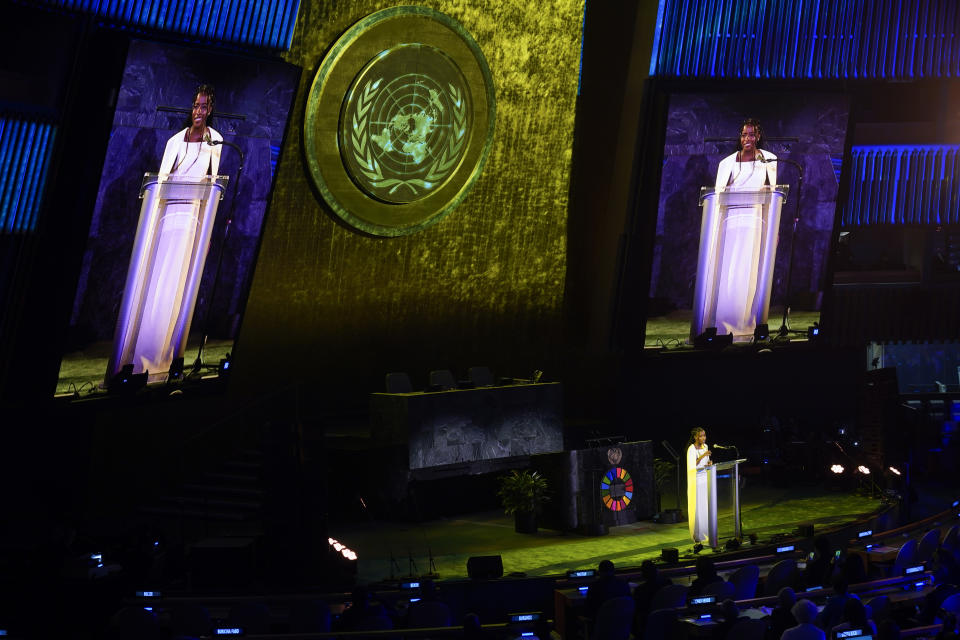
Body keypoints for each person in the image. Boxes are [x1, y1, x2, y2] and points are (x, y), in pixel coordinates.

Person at [128, 84, 224, 377]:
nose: (198, 111)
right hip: (167, 218)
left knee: (178, 286)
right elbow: (160, 182)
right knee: (158, 283)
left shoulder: (216, 142)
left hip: (192, 221)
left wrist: (206, 233)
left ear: (211, 110)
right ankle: (144, 353)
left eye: (204, 107)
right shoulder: (174, 141)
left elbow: (213, 186)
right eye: (195, 105)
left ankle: (167, 354)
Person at [711, 118, 778, 338]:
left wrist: (773, 230)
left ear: (758, 136)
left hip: (754, 222)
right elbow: (718, 196)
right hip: (730, 222)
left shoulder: (769, 160)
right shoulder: (727, 163)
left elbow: (772, 195)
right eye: (743, 134)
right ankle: (723, 323)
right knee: (728, 271)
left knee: (749, 271)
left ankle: (745, 322)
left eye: (751, 134)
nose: (746, 139)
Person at [686, 427, 712, 546]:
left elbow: (705, 462)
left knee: (704, 506)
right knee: (697, 507)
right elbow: (692, 465)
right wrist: (703, 456)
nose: (703, 438)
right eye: (701, 436)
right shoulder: (691, 449)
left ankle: (706, 532)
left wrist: (709, 463)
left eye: (704, 435)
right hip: (696, 480)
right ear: (696, 437)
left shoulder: (705, 446)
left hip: (704, 479)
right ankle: (697, 535)